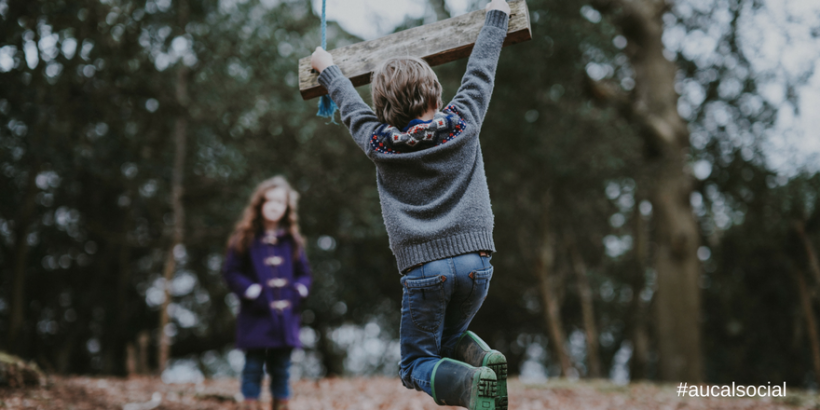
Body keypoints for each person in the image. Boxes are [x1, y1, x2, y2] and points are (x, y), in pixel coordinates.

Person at [310, 1, 511, 409]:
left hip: (425, 269)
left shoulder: (380, 143)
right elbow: (481, 68)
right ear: (435, 90)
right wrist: (497, 16)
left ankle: (474, 385)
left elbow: (349, 106)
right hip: (477, 262)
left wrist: (327, 67)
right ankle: (485, 361)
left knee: (415, 363)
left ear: (384, 108)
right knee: (450, 340)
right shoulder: (465, 120)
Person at [222, 176, 312, 410]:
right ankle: (250, 405)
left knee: (281, 368)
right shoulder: (244, 238)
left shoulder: (292, 241)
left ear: (287, 208)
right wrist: (251, 291)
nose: (274, 206)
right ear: (259, 204)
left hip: (285, 317)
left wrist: (298, 290)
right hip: (256, 315)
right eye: (269, 200)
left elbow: (304, 273)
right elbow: (231, 272)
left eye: (280, 202)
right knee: (252, 367)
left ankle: (281, 406)